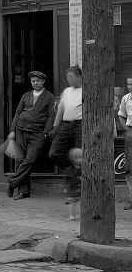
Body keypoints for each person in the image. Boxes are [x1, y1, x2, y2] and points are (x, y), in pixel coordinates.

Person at [6, 71, 56, 199]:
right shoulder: (26, 95)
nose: (35, 83)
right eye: (33, 81)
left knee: (30, 159)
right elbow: (17, 113)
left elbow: (51, 116)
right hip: (21, 130)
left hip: (38, 133)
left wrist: (45, 133)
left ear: (43, 81)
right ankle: (24, 191)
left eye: (37, 81)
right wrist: (12, 131)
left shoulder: (49, 97)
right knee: (21, 160)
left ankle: (12, 182)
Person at [48, 65, 84, 202]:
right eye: (67, 77)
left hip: (80, 125)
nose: (68, 79)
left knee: (80, 155)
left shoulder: (86, 90)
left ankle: (76, 193)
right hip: (65, 124)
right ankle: (72, 169)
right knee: (54, 153)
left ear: (79, 76)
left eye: (71, 77)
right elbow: (60, 111)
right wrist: (55, 127)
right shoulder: (67, 91)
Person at [116, 77, 132, 210]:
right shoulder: (126, 98)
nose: (130, 86)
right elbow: (121, 115)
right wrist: (127, 129)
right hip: (131, 133)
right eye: (128, 84)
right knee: (129, 167)